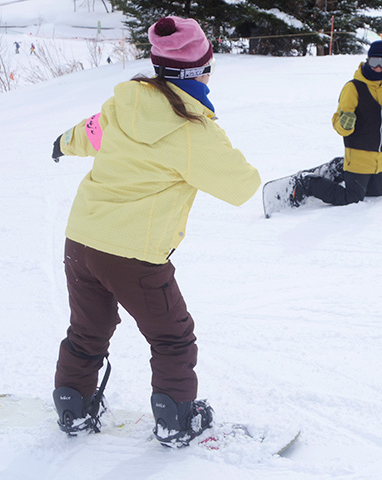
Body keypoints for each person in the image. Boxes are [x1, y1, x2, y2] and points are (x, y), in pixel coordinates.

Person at [50, 16, 260, 448]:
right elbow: (242, 184)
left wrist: (62, 142)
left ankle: (72, 407)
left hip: (81, 240)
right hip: (133, 254)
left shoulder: (123, 105)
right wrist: (209, 139)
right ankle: (176, 420)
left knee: (88, 329)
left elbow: (89, 132)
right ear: (199, 70)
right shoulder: (191, 131)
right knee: (171, 337)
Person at [292, 40, 382, 206]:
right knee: (352, 197)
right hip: (359, 158)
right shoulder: (353, 87)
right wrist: (345, 124)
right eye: (374, 62)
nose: (378, 67)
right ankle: (309, 183)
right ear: (368, 60)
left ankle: (340, 168)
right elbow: (338, 123)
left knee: (377, 192)